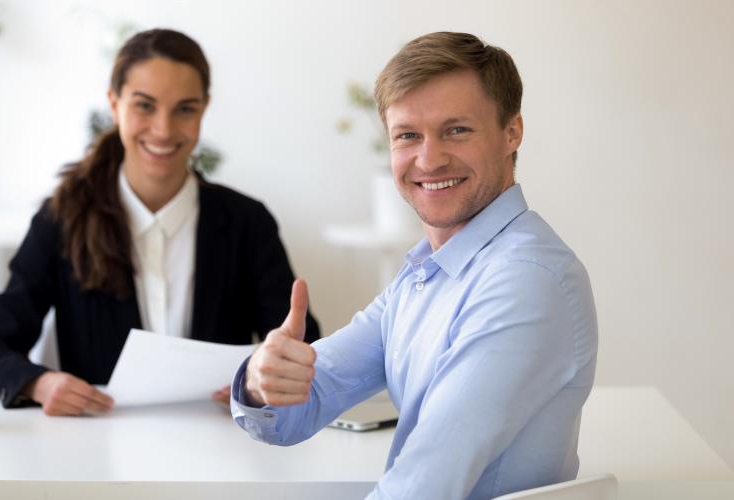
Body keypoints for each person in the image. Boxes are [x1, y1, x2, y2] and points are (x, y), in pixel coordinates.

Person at [230, 32, 597, 499]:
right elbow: (299, 411)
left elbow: (425, 484)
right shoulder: (428, 274)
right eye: (408, 135)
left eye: (456, 130)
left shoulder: (525, 279)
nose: (429, 159)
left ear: (512, 132)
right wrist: (264, 380)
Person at [0, 28, 319, 416]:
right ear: (114, 105)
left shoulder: (247, 223)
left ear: (204, 109)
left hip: (221, 448)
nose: (163, 130)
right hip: (100, 452)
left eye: (185, 108)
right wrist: (40, 382)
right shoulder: (62, 219)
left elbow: (303, 348)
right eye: (144, 106)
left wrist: (265, 375)